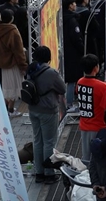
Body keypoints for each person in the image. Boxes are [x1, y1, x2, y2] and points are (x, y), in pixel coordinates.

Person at [26, 46, 65, 184]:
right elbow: (62, 88)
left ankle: (39, 173)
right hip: (48, 110)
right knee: (49, 142)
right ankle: (49, 173)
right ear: (49, 57)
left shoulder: (30, 70)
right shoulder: (51, 72)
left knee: (38, 141)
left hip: (32, 109)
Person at [76, 54, 106, 161]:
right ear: (96, 68)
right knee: (98, 157)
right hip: (99, 126)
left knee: (86, 157)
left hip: (84, 125)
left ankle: (85, 176)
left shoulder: (80, 82)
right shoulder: (103, 86)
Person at [0, 9, 27, 116]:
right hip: (13, 63)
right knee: (15, 87)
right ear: (11, 18)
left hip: (2, 63)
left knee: (7, 88)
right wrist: (23, 65)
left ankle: (6, 110)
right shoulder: (12, 31)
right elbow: (18, 51)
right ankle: (11, 110)